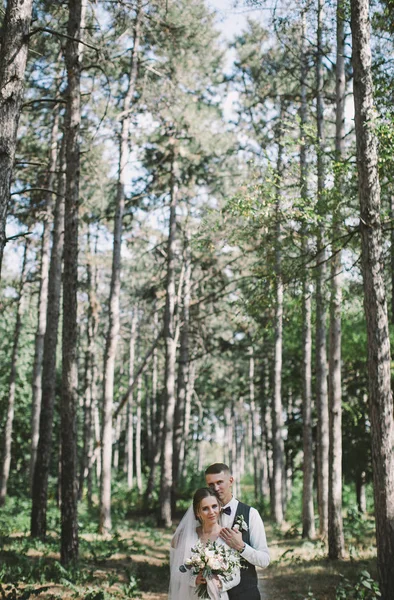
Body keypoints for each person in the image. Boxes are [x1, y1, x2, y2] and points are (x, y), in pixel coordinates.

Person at [205, 463, 269, 600]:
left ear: (231, 481)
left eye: (220, 482)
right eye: (211, 484)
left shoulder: (251, 514)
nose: (215, 488)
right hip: (211, 595)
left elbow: (264, 560)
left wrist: (241, 547)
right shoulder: (202, 517)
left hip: (246, 593)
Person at [169, 487, 241, 599]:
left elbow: (236, 575)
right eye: (205, 508)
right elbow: (177, 571)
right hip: (192, 595)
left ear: (220, 507)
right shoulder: (189, 536)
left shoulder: (228, 536)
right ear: (198, 512)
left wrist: (220, 583)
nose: (211, 512)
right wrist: (193, 579)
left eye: (214, 506)